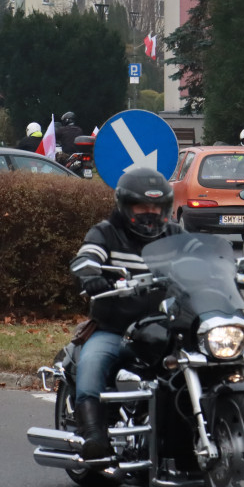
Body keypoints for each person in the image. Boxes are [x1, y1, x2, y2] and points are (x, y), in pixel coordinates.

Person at [68, 167, 182, 459]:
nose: (150, 212)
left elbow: (202, 259)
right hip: (115, 329)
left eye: (157, 207)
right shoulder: (106, 232)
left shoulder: (175, 235)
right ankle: (92, 434)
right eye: (142, 206)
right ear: (125, 206)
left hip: (164, 329)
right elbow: (85, 258)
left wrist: (235, 268)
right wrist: (91, 275)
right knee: (91, 363)